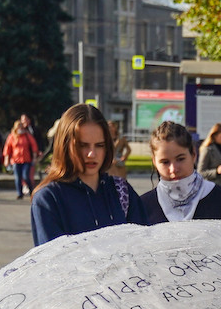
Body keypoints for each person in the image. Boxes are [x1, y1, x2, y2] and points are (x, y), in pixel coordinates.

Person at [30, 103, 147, 245]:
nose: (92, 154)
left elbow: (144, 248)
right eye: (82, 145)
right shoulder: (48, 199)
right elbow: (52, 261)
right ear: (65, 145)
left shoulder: (122, 191)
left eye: (99, 145)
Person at [140, 120, 221, 223]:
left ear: (193, 154)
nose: (174, 169)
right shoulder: (143, 206)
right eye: (165, 162)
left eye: (180, 159)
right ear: (154, 162)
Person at [4, 120, 39, 199]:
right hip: (15, 160)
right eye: (18, 127)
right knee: (18, 177)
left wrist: (34, 157)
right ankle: (19, 193)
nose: (20, 129)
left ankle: (31, 190)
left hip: (26, 159)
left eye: (21, 127)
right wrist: (6, 159)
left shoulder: (27, 135)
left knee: (26, 176)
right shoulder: (12, 136)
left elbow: (34, 146)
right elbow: (8, 148)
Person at [197, 123, 221, 194]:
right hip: (212, 189)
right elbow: (200, 172)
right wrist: (216, 172)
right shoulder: (208, 150)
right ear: (215, 136)